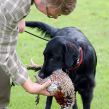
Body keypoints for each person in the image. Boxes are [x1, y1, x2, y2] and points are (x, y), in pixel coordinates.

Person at [0, 0, 76, 108]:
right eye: (57, 13)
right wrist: (30, 86)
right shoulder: (13, 8)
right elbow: (4, 53)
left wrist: (21, 17)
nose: (56, 18)